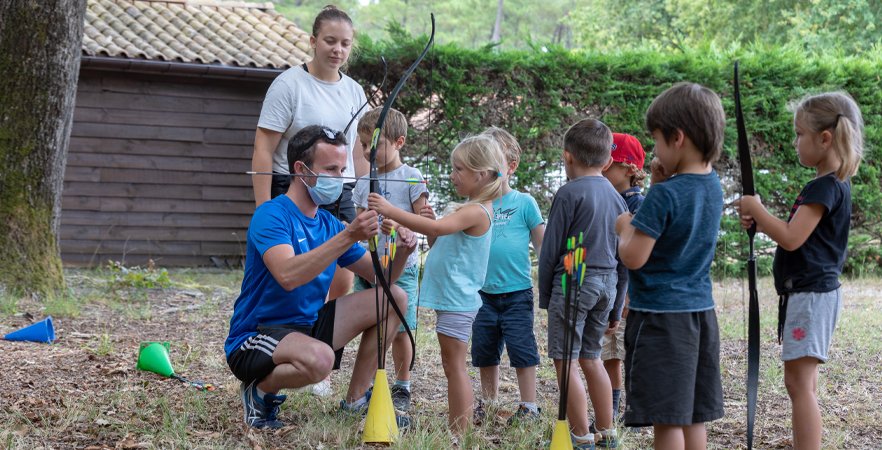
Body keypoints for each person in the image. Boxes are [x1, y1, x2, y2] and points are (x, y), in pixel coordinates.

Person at [226, 125, 417, 429]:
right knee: (321, 359)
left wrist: (404, 249)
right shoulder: (271, 215)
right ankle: (258, 392)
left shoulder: (329, 223)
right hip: (257, 335)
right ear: (301, 170)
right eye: (330, 169)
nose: (339, 178)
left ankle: (355, 401)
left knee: (396, 297)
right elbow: (288, 275)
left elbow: (383, 278)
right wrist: (349, 235)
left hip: (307, 327)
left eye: (342, 169)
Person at [737, 92, 863, 450]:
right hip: (809, 294)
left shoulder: (824, 187)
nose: (794, 142)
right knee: (802, 383)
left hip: (811, 296)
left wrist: (759, 213)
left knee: (799, 385)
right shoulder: (831, 184)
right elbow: (798, 237)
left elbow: (792, 238)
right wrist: (760, 223)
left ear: (825, 139)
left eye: (799, 134)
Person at [367, 134, 507, 436]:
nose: (452, 175)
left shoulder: (476, 210)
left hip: (458, 300)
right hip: (453, 299)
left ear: (481, 174)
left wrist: (390, 210)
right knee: (450, 364)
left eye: (458, 169)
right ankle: (459, 429)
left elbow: (435, 228)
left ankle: (460, 432)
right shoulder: (469, 207)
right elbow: (439, 239)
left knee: (454, 366)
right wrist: (429, 228)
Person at [615, 82, 726, 449]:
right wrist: (664, 184)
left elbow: (633, 256)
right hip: (699, 314)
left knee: (666, 419)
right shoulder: (713, 185)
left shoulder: (663, 194)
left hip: (661, 318)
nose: (654, 151)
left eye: (657, 141)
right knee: (693, 413)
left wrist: (623, 227)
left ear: (677, 138)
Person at [251, 5, 366, 311]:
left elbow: (358, 153)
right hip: (294, 189)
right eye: (330, 41)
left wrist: (368, 200)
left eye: (345, 43)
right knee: (297, 277)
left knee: (342, 278)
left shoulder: (355, 91)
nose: (337, 50)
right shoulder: (289, 85)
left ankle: (328, 349)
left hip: (339, 192)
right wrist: (264, 210)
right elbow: (263, 148)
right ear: (313, 41)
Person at [538, 118, 627, 449]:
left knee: (564, 360)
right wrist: (617, 305)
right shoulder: (618, 198)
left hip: (575, 283)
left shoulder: (568, 193)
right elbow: (624, 258)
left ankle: (581, 435)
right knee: (591, 357)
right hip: (609, 284)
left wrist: (546, 294)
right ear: (607, 161)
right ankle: (607, 433)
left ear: (567, 157)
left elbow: (551, 251)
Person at [351, 107, 429, 411]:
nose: (368, 151)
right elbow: (356, 232)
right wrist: (366, 226)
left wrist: (398, 225)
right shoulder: (362, 182)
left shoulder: (411, 178)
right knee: (374, 326)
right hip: (369, 270)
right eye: (363, 145)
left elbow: (422, 223)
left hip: (403, 268)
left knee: (400, 328)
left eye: (376, 145)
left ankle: (402, 383)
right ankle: (369, 382)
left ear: (399, 142)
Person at [469, 127, 545, 425]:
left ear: (510, 166)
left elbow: (543, 245)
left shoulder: (524, 202)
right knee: (485, 350)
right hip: (482, 293)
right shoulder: (475, 204)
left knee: (522, 348)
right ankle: (488, 403)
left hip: (517, 293)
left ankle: (529, 406)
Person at [598, 132, 646, 425]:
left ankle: (635, 411)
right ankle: (612, 410)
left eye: (608, 164)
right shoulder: (607, 199)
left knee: (630, 355)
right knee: (609, 355)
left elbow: (633, 257)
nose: (601, 169)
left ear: (629, 169)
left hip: (628, 296)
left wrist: (626, 296)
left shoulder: (637, 205)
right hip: (609, 292)